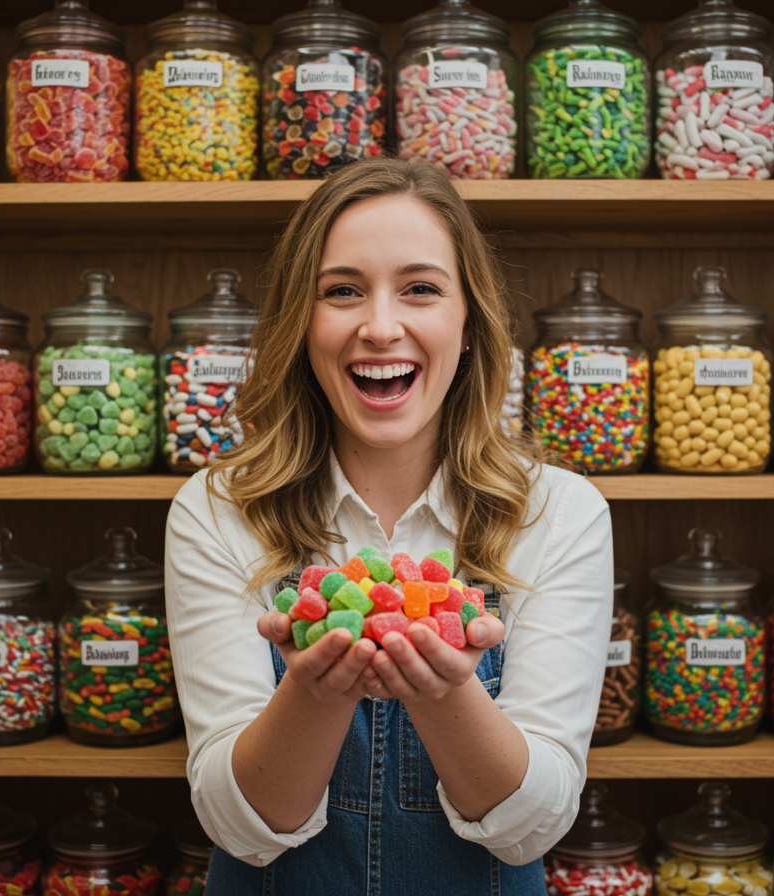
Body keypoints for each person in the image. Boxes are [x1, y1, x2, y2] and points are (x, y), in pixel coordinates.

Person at [164, 156, 613, 894]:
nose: (379, 326)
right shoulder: (219, 508)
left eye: (420, 290)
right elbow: (237, 826)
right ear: (301, 327)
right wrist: (315, 694)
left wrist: (446, 693)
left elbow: (534, 824)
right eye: (341, 292)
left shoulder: (557, 512)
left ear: (468, 323)